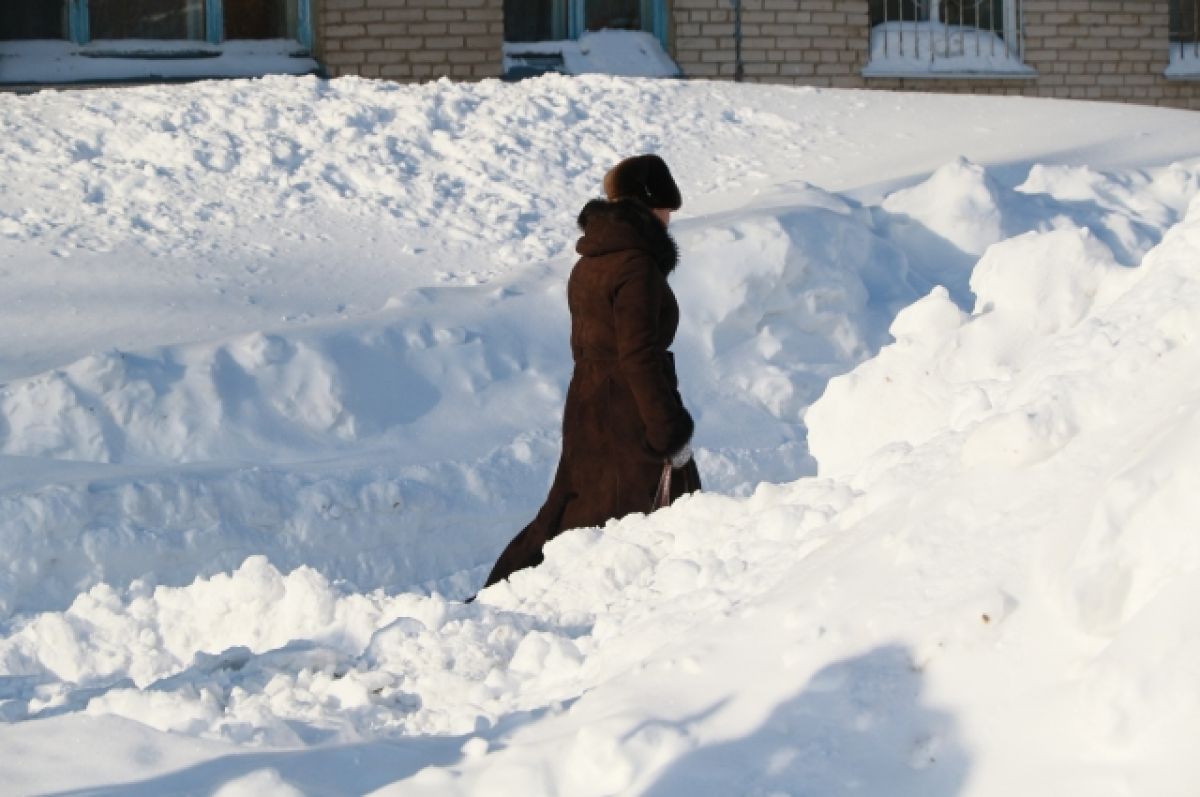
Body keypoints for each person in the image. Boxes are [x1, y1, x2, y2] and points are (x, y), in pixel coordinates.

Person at [480, 154, 701, 592]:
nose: (670, 217)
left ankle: (513, 588)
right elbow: (638, 355)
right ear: (645, 204)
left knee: (576, 507)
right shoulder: (636, 267)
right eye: (665, 206)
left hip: (587, 404)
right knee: (643, 518)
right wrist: (667, 430)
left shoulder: (590, 262)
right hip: (630, 412)